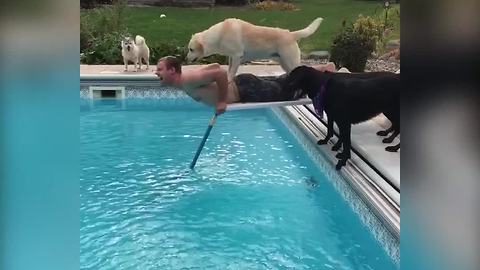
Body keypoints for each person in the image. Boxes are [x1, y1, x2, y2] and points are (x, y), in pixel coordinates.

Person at [154, 56, 336, 115]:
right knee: (283, 81)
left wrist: (221, 102)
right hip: (245, 85)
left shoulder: (189, 79)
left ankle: (332, 77)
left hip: (246, 90)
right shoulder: (187, 79)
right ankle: (323, 69)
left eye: (160, 69)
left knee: (289, 89)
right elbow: (215, 67)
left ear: (172, 71)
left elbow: (220, 73)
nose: (156, 73)